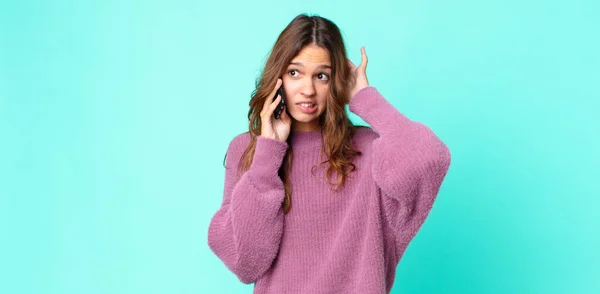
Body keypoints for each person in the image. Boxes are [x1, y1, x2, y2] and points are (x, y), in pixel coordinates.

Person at [207, 13, 451, 294]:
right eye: (294, 73)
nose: (308, 90)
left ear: (337, 82)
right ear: (278, 77)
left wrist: (365, 97)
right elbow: (245, 263)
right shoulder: (249, 151)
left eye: (321, 76)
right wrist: (267, 154)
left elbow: (431, 158)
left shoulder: (367, 150)